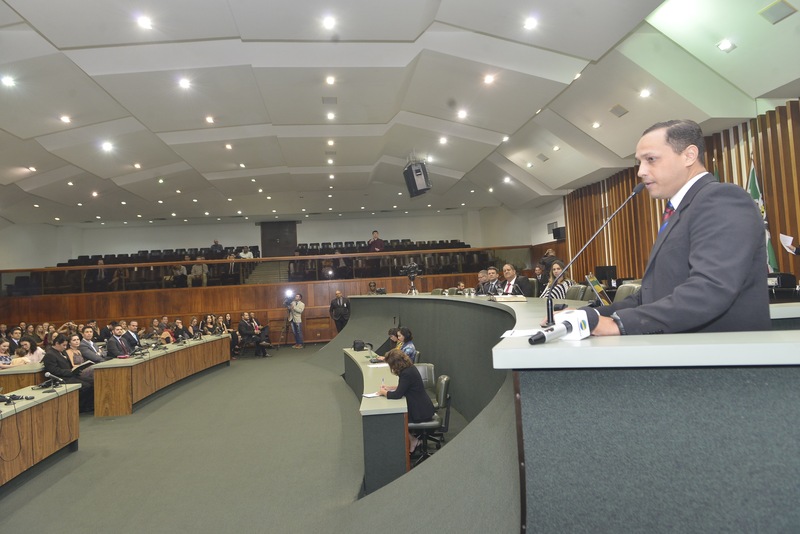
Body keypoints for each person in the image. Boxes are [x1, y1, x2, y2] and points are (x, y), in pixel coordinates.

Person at [582, 119, 770, 336]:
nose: (641, 171)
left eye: (651, 159)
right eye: (640, 162)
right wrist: (589, 316)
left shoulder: (721, 199)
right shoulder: (679, 209)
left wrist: (619, 324)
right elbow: (651, 296)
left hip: (719, 352)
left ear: (689, 155)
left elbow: (711, 288)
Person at [377, 349, 435, 453]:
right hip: (424, 406)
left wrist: (383, 392)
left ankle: (413, 440)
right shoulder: (410, 368)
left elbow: (397, 395)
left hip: (420, 412)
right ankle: (412, 440)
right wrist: (390, 388)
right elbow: (405, 387)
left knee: (396, 420)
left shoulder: (406, 374)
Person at [42, 334, 94, 412]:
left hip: (70, 375)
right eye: (63, 345)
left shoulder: (62, 352)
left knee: (92, 381)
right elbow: (54, 370)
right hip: (60, 378)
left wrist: (75, 370)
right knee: (86, 386)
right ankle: (81, 407)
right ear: (57, 343)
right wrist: (69, 371)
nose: (65, 347)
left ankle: (90, 405)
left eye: (66, 345)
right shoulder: (50, 354)